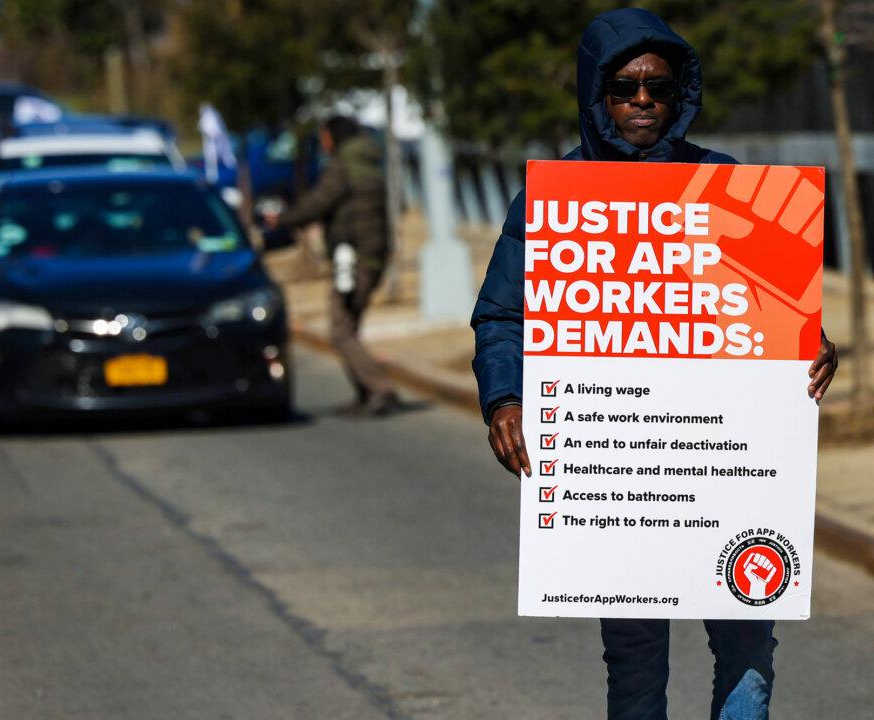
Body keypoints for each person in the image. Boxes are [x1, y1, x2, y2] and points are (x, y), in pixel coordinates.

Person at [470, 8, 838, 719]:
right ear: (596, 94)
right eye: (625, 87)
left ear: (681, 95)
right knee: (636, 670)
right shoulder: (555, 201)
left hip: (725, 484)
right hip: (624, 484)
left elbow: (777, 313)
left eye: (659, 88)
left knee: (746, 656)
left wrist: (814, 346)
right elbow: (501, 316)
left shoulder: (728, 187)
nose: (642, 101)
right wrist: (504, 399)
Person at [265, 116, 400, 416]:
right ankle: (366, 392)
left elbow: (319, 202)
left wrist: (283, 220)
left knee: (341, 329)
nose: (322, 144)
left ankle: (379, 389)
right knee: (347, 324)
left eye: (324, 137)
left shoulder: (343, 167)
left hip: (353, 259)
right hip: (370, 255)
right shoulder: (367, 162)